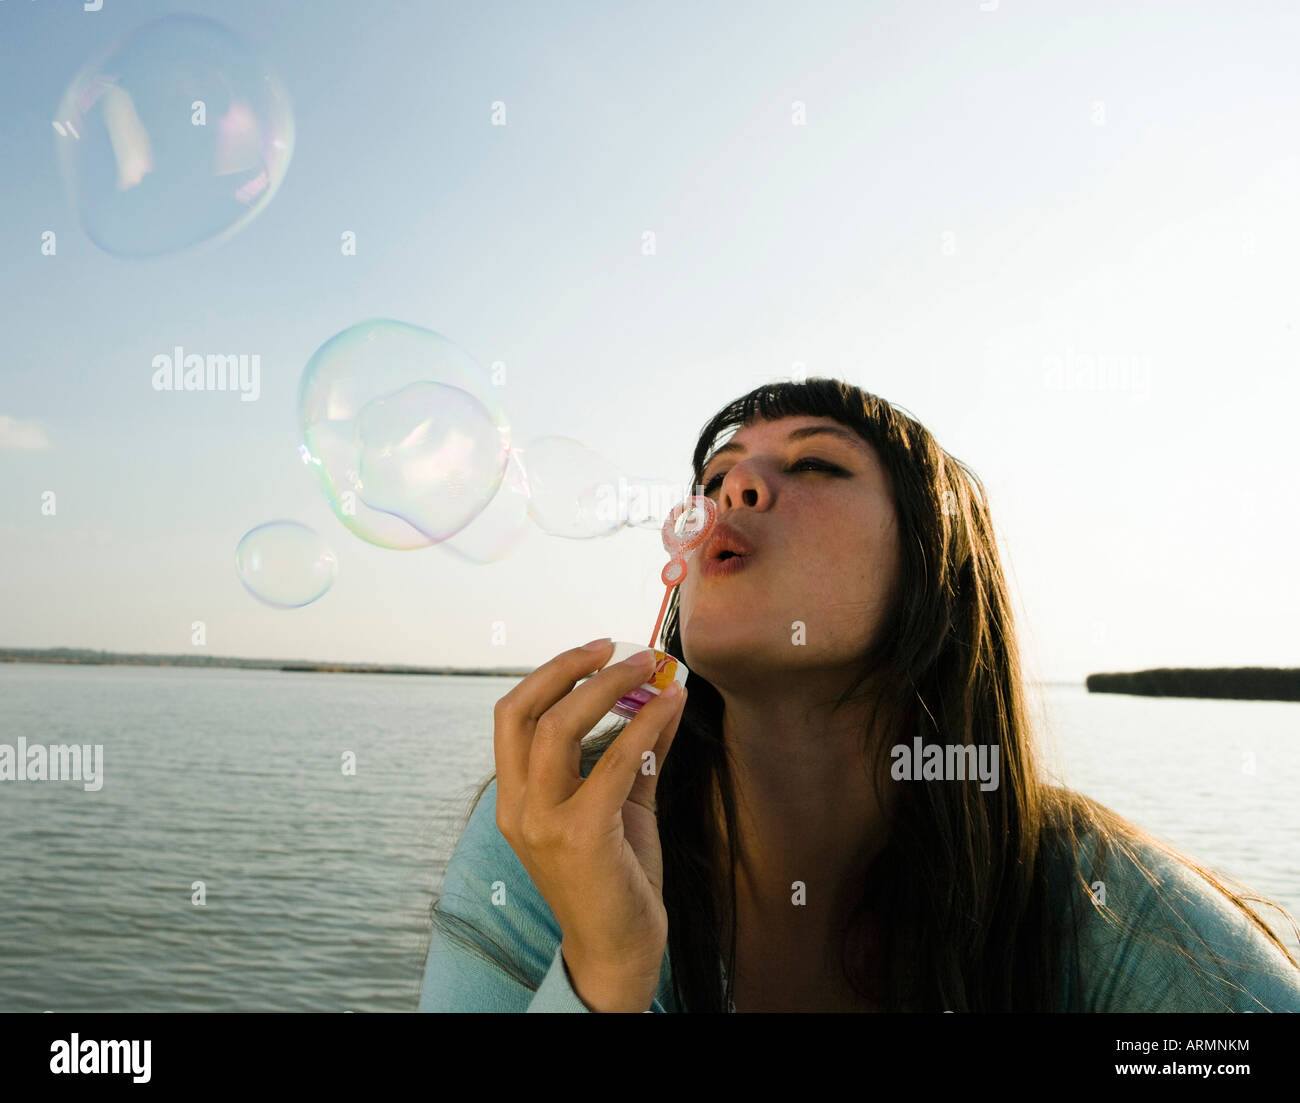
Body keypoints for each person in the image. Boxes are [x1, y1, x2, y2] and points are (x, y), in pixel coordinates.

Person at [419, 377, 1300, 1012]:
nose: (734, 487)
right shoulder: (557, 832)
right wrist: (603, 971)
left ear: (936, 572)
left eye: (817, 466)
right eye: (717, 476)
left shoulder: (1085, 893)